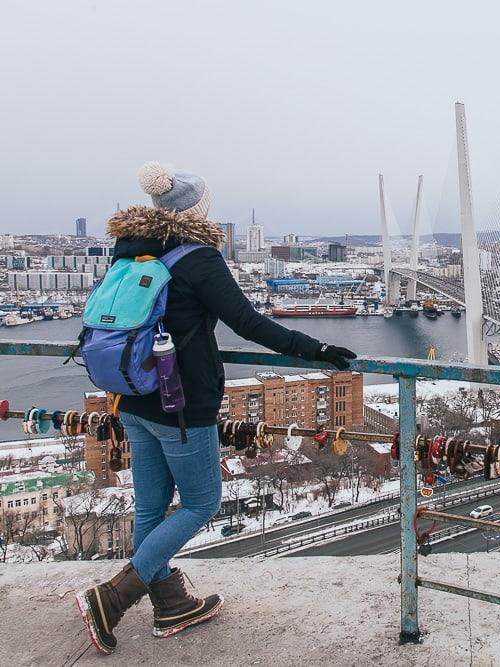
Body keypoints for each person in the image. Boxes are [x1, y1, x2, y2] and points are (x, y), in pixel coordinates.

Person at [76, 162, 356, 655]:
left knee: (151, 508)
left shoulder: (130, 250)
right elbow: (248, 323)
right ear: (198, 211)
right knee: (202, 503)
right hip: (180, 404)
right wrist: (316, 350)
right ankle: (114, 597)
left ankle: (170, 604)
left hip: (130, 398)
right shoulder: (198, 258)